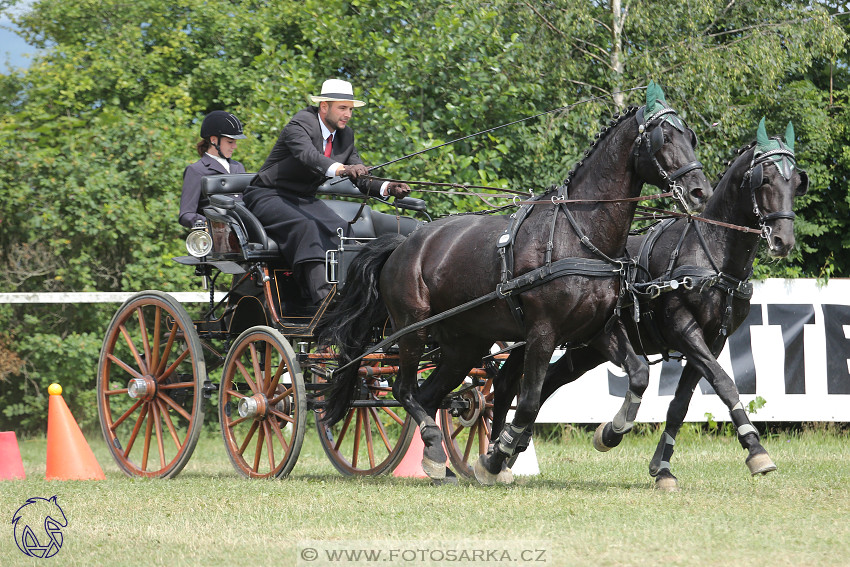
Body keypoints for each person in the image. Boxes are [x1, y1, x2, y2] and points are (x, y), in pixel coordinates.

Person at [244, 79, 411, 305]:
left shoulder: (345, 136)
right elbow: (309, 157)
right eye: (342, 108)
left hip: (302, 199)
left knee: (343, 229)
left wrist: (387, 187)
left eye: (350, 109)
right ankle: (322, 299)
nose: (348, 114)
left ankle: (353, 296)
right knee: (309, 227)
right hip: (268, 194)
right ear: (324, 106)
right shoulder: (300, 124)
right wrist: (343, 169)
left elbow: (360, 175)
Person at [178, 111, 247, 228]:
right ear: (214, 140)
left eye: (235, 142)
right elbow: (186, 215)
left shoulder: (238, 167)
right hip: (217, 238)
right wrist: (216, 224)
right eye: (230, 142)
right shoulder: (196, 170)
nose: (234, 146)